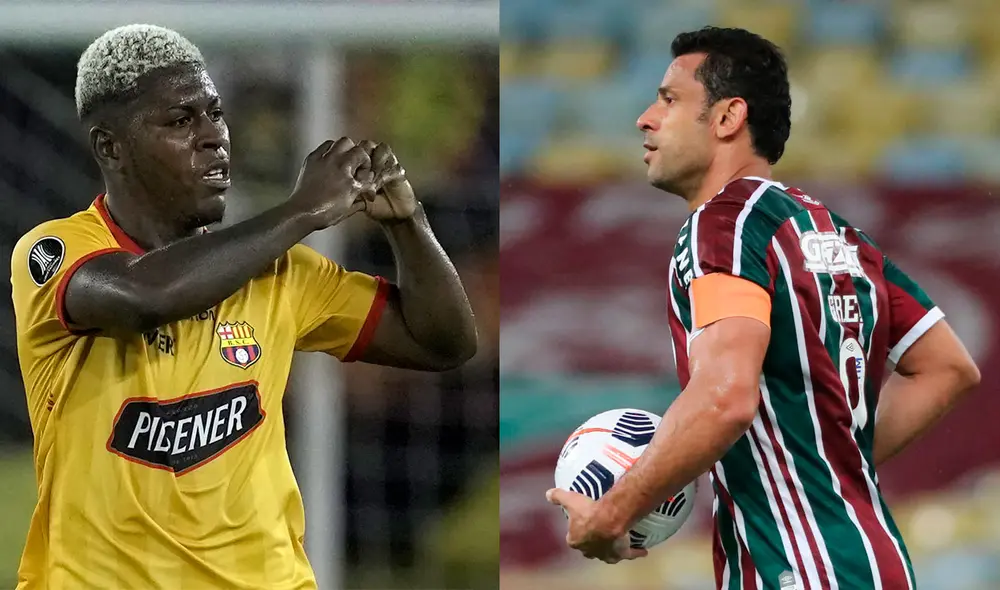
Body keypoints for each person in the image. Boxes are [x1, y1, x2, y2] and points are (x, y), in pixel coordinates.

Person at [9, 24, 477, 590]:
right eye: (181, 121)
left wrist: (408, 224)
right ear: (111, 147)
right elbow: (144, 296)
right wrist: (303, 209)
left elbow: (443, 342)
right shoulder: (54, 250)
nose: (214, 137)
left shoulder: (280, 271)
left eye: (215, 114)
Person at [546, 26, 980, 590]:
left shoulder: (722, 226)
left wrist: (615, 509)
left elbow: (724, 397)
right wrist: (825, 468)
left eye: (670, 99)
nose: (645, 118)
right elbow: (948, 367)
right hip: (868, 558)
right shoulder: (835, 233)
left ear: (728, 118)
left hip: (800, 570)